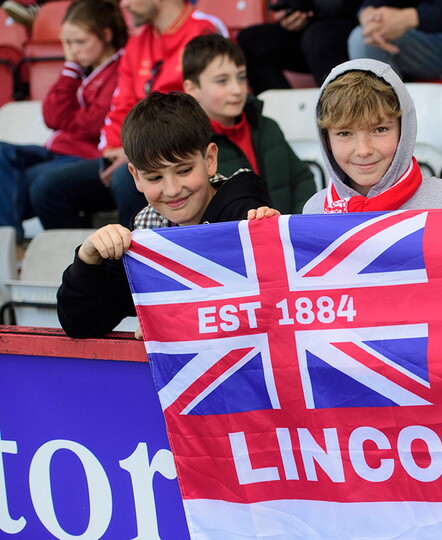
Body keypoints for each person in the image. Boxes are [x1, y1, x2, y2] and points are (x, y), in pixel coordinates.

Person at [57, 91, 277, 339]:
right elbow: (82, 324)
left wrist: (169, 320)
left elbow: (267, 308)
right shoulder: (143, 230)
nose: (172, 190)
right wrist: (88, 260)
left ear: (210, 160)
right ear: (136, 177)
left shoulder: (245, 213)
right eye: (154, 177)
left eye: (183, 171)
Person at [30, 0, 227, 230]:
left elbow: (215, 106)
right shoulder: (136, 43)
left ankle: (140, 249)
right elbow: (120, 107)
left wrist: (133, 153)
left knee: (126, 178)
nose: (125, 4)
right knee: (46, 188)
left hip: (180, 157)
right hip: (129, 157)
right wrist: (111, 150)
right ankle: (92, 252)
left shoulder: (204, 29)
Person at [302, 58, 442, 213]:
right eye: (344, 133)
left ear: (404, 130)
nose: (363, 150)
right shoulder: (314, 212)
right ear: (326, 139)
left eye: (379, 130)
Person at [0, 0, 125, 241]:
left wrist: (66, 118)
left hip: (82, 157)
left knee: (20, 184)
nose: (73, 51)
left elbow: (92, 124)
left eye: (80, 42)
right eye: (67, 43)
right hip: (55, 152)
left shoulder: (119, 70)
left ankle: (12, 245)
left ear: (106, 35)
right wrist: (70, 68)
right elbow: (52, 116)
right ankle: (9, 244)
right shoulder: (80, 69)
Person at [182, 34, 316, 213]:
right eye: (222, 81)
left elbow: (302, 179)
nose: (237, 89)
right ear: (192, 89)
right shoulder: (190, 144)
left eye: (241, 77)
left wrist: (293, 223)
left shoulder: (267, 128)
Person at [346, 0, 442, 92]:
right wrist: (369, 13)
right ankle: (381, 124)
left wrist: (413, 17)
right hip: (426, 42)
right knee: (362, 37)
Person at [236, 0, 362, 93]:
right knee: (253, 40)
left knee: (317, 37)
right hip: (315, 27)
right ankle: (280, 114)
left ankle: (342, 112)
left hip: (360, 24)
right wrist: (292, 11)